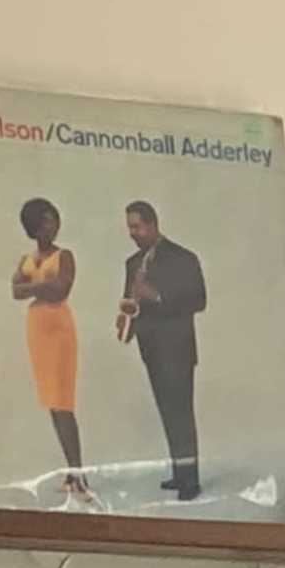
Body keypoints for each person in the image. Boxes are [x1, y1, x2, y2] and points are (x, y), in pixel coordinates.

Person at [114, 197, 206, 499]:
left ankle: (190, 481)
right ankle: (180, 474)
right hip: (150, 350)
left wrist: (155, 295)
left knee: (181, 413)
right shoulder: (132, 263)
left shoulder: (183, 258)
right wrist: (127, 315)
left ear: (153, 224)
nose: (132, 233)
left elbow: (198, 300)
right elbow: (132, 302)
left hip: (177, 350)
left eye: (137, 227)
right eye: (129, 227)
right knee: (167, 413)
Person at [9, 193, 84, 498]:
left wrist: (33, 286)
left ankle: (78, 473)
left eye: (54, 221)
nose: (51, 228)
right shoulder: (27, 259)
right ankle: (71, 472)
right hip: (37, 331)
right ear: (33, 227)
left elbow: (60, 289)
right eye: (45, 223)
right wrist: (42, 285)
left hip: (58, 329)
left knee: (64, 401)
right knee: (53, 402)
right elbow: (15, 290)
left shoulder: (63, 255)